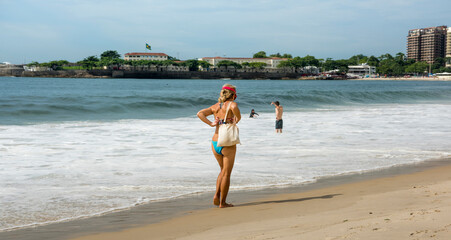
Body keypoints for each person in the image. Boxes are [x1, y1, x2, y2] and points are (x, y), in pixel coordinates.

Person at [197, 84, 241, 208]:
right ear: (233, 95)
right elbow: (238, 118)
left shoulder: (215, 107)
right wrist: (234, 120)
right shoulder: (233, 105)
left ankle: (217, 195)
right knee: (227, 173)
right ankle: (223, 202)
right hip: (227, 142)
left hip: (215, 142)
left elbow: (200, 113)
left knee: (222, 171)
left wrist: (211, 123)